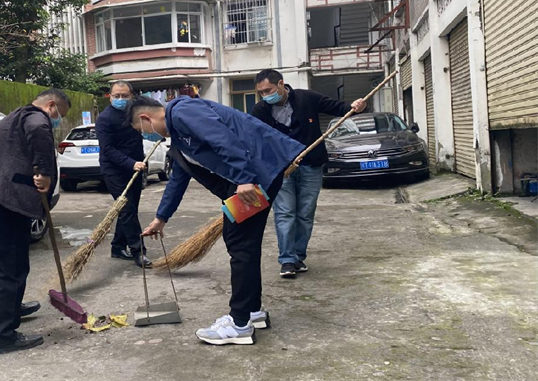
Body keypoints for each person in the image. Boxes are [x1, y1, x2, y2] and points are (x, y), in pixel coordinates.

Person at [129, 95, 304, 346]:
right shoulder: (179, 139)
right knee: (244, 244)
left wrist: (244, 178)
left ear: (146, 118)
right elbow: (178, 178)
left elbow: (222, 139)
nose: (147, 135)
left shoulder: (182, 111)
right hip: (253, 177)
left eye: (142, 130)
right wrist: (161, 218)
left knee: (240, 245)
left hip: (256, 174)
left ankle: (239, 324)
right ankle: (252, 313)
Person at [0, 89, 70, 354]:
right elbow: (39, 130)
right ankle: (4, 336)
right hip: (4, 203)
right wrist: (46, 172)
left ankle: (11, 308)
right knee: (12, 268)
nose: (57, 120)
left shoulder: (11, 119)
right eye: (59, 115)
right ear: (51, 105)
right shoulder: (36, 118)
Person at [251, 69, 366, 279]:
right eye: (261, 92)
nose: (265, 95)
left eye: (268, 90)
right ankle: (287, 259)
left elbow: (339, 108)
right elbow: (256, 140)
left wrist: (356, 107)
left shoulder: (307, 98)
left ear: (280, 84)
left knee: (305, 213)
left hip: (311, 165)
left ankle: (298, 256)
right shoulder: (260, 110)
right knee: (285, 213)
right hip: (282, 170)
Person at [96, 81, 152, 268]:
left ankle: (118, 247)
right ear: (110, 97)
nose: (121, 99)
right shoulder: (105, 119)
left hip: (136, 168)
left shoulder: (135, 113)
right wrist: (130, 163)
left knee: (130, 208)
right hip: (115, 170)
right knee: (127, 209)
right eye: (117, 96)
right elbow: (108, 149)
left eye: (125, 96)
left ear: (131, 96)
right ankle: (138, 252)